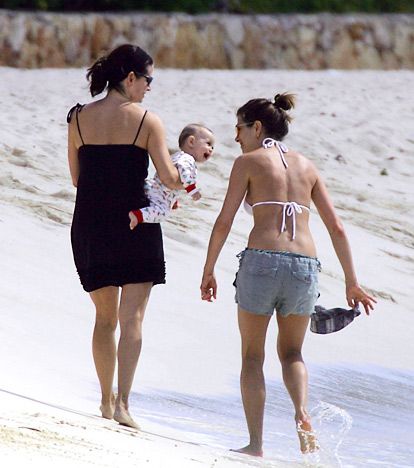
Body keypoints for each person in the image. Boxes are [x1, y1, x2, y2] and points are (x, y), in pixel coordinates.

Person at [200, 93, 376, 456]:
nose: (235, 137)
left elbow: (224, 220)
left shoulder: (247, 162)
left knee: (252, 356)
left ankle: (255, 444)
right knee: (293, 353)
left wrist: (209, 269)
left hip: (262, 261)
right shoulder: (308, 166)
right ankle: (302, 415)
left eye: (239, 128)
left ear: (257, 127)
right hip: (304, 267)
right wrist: (352, 282)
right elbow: (337, 227)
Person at [67, 44, 181, 429]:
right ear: (130, 78)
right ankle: (124, 405)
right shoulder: (148, 120)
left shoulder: (78, 118)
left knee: (104, 317)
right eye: (148, 80)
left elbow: (77, 178)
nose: (149, 88)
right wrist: (186, 178)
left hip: (91, 224)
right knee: (132, 320)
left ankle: (104, 400)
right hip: (135, 224)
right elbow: (168, 177)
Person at [129, 123, 214, 228]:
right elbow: (184, 173)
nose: (211, 149)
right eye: (208, 144)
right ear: (191, 141)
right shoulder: (188, 159)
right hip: (158, 194)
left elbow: (174, 182)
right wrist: (192, 189)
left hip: (154, 187)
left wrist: (173, 201)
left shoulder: (178, 156)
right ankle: (138, 215)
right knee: (163, 213)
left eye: (212, 147)